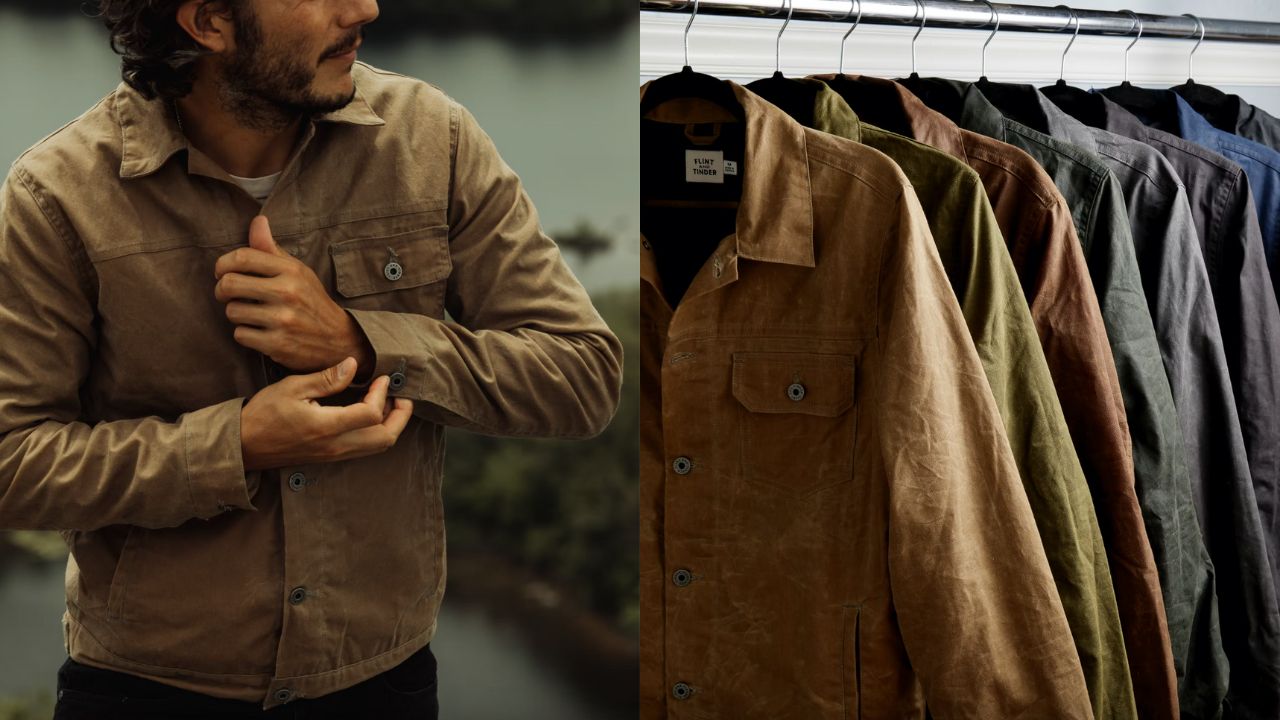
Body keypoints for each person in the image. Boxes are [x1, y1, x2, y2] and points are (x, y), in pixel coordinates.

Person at [0, 0, 624, 717]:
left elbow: (582, 377)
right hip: (144, 690)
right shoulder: (57, 196)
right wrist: (232, 446)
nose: (365, 8)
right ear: (208, 22)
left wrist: (362, 344)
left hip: (382, 684)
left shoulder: (433, 137)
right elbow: (12, 461)